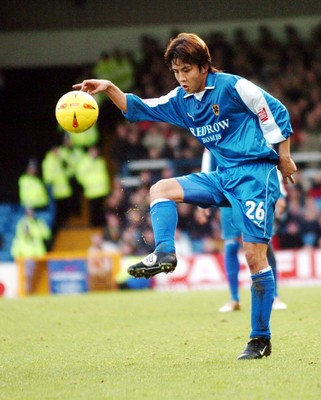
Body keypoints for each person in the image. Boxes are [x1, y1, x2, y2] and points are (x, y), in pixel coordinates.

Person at [73, 32, 297, 360]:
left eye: (186, 70)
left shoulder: (232, 86)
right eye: (176, 72)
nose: (181, 78)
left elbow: (273, 109)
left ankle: (260, 339)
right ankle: (165, 253)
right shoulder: (182, 101)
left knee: (253, 257)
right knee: (160, 189)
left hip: (255, 176)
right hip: (222, 176)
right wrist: (109, 89)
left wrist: (285, 155)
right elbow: (140, 108)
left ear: (204, 67)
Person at [199, 149, 288, 313]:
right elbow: (207, 164)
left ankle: (275, 296)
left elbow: (270, 159)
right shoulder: (215, 136)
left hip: (256, 193)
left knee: (264, 245)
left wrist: (280, 193)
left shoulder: (249, 131)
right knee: (231, 244)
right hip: (229, 198)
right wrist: (203, 198)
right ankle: (234, 298)